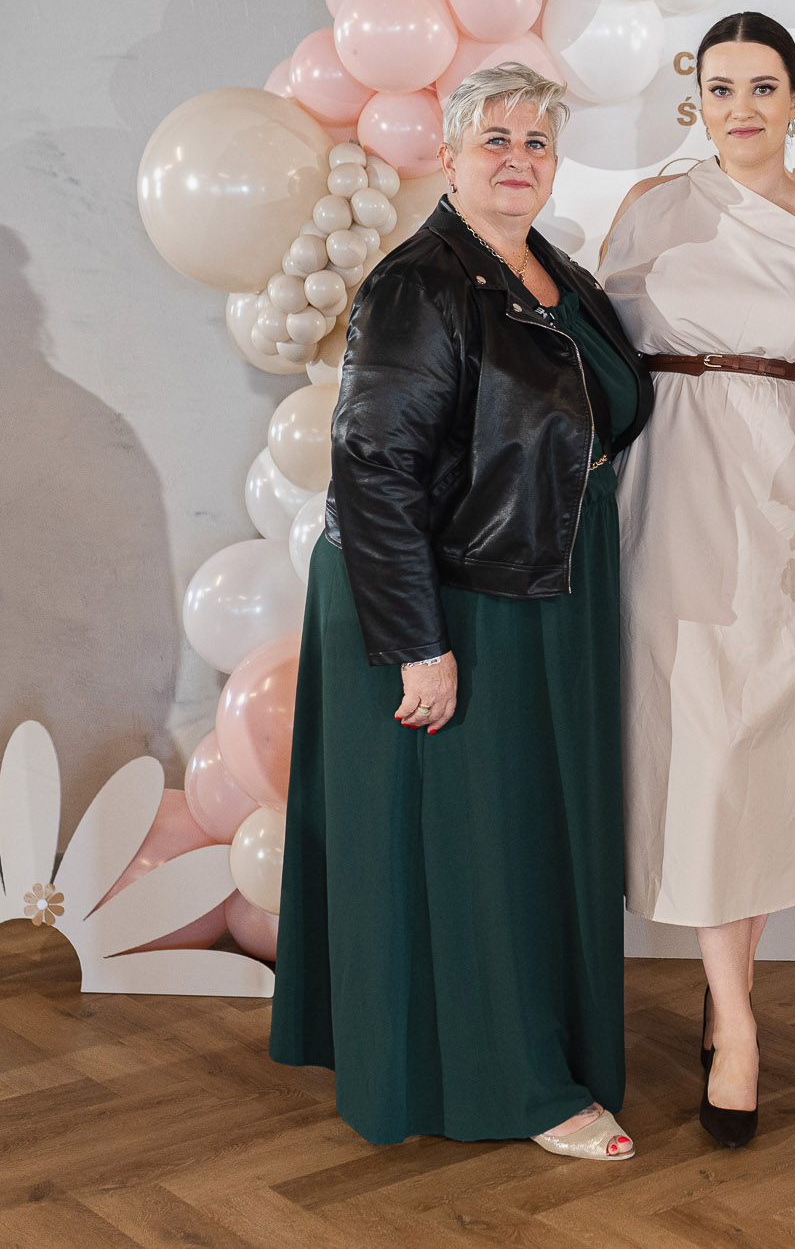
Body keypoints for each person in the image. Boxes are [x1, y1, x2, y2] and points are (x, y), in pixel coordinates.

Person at [270, 63, 654, 1161]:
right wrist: (417, 645)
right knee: (480, 843)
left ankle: (539, 1048)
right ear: (447, 155)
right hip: (452, 598)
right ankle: (514, 1087)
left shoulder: (552, 271)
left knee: (527, 834)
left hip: (542, 585)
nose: (517, 159)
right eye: (495, 139)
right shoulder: (418, 283)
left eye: (536, 142)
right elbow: (373, 470)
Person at [601, 12, 795, 1150]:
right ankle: (737, 1023)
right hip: (672, 487)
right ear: (698, 101)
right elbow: (595, 352)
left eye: (763, 86)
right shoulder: (649, 206)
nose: (741, 108)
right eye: (720, 88)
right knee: (703, 742)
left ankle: (732, 1003)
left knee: (764, 748)